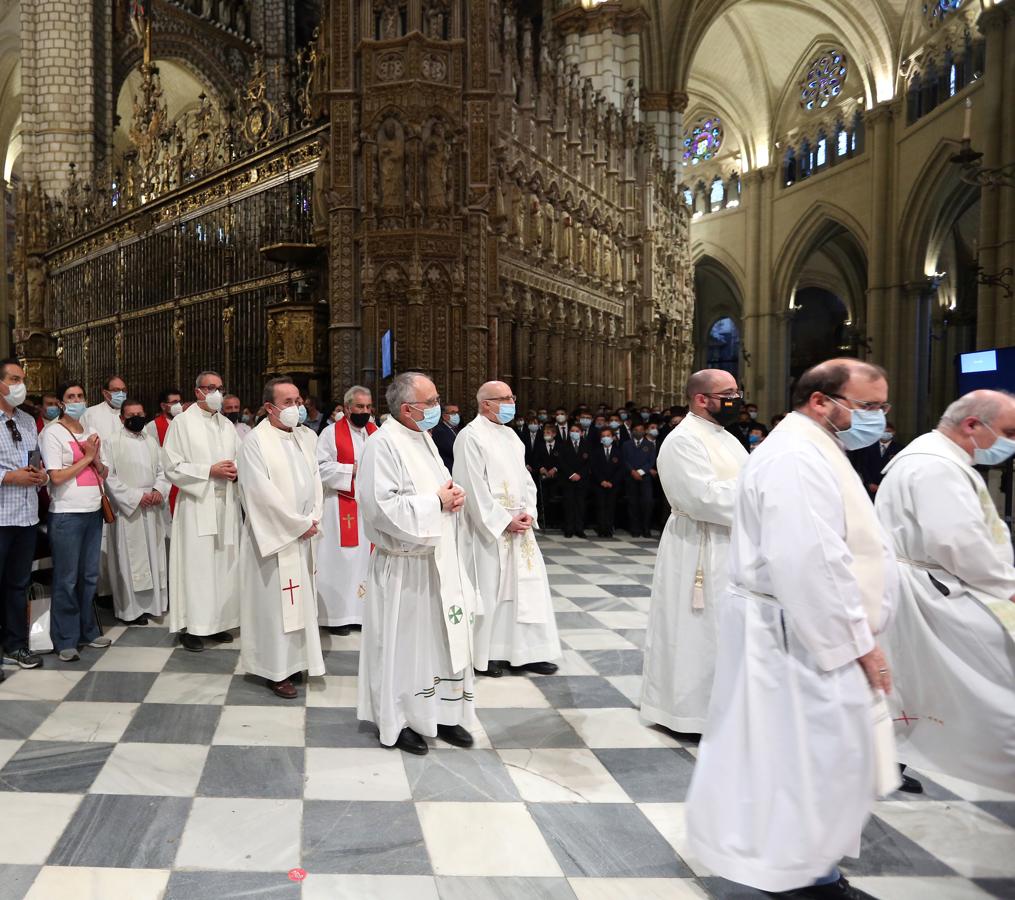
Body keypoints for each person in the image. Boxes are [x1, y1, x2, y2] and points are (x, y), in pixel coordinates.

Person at [687, 359, 899, 899]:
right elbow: (810, 559)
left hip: (800, 622)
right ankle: (803, 878)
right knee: (803, 753)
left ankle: (810, 868)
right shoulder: (796, 456)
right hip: (795, 628)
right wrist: (857, 642)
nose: (877, 416)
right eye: (868, 405)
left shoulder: (813, 445)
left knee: (810, 753)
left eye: (882, 406)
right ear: (821, 401)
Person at [875, 390, 1015, 792]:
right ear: (972, 424)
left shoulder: (933, 456)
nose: (1011, 442)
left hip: (923, 582)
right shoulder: (935, 466)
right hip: (931, 586)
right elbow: (956, 542)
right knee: (986, 672)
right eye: (1008, 432)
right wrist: (1006, 585)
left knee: (915, 683)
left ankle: (891, 760)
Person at [357, 371, 477, 755]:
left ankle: (443, 713)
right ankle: (401, 719)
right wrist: (437, 503)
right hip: (403, 567)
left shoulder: (423, 437)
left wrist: (454, 495)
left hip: (436, 561)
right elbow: (381, 508)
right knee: (404, 648)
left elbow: (439, 486)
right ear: (408, 409)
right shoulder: (382, 444)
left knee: (440, 641)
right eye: (432, 402)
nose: (438, 407)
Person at [640, 370, 748, 736]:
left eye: (737, 392)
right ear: (701, 399)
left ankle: (725, 710)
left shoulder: (728, 438)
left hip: (730, 544)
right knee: (694, 630)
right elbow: (701, 498)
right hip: (697, 546)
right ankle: (688, 713)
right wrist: (758, 490)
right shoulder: (682, 440)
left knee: (726, 630)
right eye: (728, 393)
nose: (737, 399)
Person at [455, 381, 561, 679]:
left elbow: (526, 480)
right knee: (491, 591)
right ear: (485, 403)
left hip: (520, 528)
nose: (511, 402)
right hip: (489, 531)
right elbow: (471, 487)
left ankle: (527, 652)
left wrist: (529, 512)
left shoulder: (512, 436)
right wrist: (503, 521)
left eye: (512, 397)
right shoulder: (470, 436)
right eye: (504, 398)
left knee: (527, 589)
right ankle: (489, 654)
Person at [236, 377, 325, 699]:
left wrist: (314, 516)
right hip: (273, 539)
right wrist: (297, 524)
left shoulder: (305, 437)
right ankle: (275, 670)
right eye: (288, 402)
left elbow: (316, 480)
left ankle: (296, 661)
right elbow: (259, 493)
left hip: (301, 534)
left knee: (299, 603)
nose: (296, 407)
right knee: (275, 607)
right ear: (269, 407)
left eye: (298, 401)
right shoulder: (255, 442)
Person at [163, 371, 241, 652]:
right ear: (197, 392)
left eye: (220, 388)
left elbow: (240, 458)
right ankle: (192, 626)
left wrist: (236, 471)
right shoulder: (182, 423)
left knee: (223, 565)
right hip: (197, 504)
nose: (216, 393)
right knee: (196, 568)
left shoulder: (227, 425)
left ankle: (217, 622)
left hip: (226, 504)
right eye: (210, 388)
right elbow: (171, 467)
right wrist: (209, 471)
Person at [40, 381, 113, 662]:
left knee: (89, 576)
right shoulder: (52, 432)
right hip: (67, 513)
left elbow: (103, 472)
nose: (76, 400)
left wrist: (97, 461)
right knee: (67, 578)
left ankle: (87, 630)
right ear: (61, 403)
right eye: (70, 397)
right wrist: (88, 457)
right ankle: (65, 638)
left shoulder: (91, 430)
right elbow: (56, 477)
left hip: (93, 510)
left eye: (80, 396)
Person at [317, 385, 377, 636]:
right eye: (359, 406)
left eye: (368, 407)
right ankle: (337, 617)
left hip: (368, 508)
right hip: (340, 507)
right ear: (347, 408)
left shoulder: (375, 432)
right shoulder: (331, 433)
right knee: (342, 560)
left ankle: (361, 614)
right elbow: (319, 468)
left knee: (365, 561)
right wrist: (351, 469)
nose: (365, 411)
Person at [103, 398, 169, 626]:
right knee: (130, 559)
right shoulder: (111, 442)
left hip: (152, 508)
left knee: (154, 556)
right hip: (128, 511)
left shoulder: (151, 441)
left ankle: (154, 605)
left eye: (140, 414)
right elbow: (108, 477)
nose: (137, 419)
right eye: (131, 416)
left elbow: (163, 470)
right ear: (122, 418)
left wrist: (158, 490)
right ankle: (131, 611)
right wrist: (135, 497)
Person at [0, 359, 47, 676]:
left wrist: (41, 476)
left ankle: (16, 645)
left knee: (18, 584)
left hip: (27, 516)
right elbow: (10, 473)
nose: (21, 385)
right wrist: (7, 477)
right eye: (14, 379)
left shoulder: (29, 421)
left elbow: (36, 461)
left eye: (22, 379)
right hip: (1, 516)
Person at [144, 388, 183, 519]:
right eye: (174, 402)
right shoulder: (153, 426)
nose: (178, 405)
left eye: (180, 402)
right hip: (166, 478)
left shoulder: (185, 423)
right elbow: (152, 456)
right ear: (163, 405)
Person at [621, 421, 657, 538]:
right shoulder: (626, 444)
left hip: (645, 478)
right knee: (633, 504)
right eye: (636, 430)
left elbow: (651, 461)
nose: (639, 432)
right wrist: (632, 471)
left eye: (641, 430)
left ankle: (646, 528)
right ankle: (634, 529)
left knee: (647, 503)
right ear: (632, 431)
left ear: (645, 431)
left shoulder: (650, 445)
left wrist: (640, 472)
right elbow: (624, 460)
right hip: (630, 477)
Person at [849, 421, 899, 501]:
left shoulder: (900, 449)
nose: (885, 434)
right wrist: (870, 483)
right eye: (883, 431)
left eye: (888, 431)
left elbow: (898, 469)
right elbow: (864, 466)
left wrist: (886, 485)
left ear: (893, 432)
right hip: (870, 487)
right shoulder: (868, 447)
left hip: (889, 488)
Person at [558, 421, 591, 538]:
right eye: (572, 431)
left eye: (577, 431)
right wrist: (571, 474)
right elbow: (561, 462)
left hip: (582, 480)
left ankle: (579, 528)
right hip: (568, 479)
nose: (574, 433)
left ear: (581, 433)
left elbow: (589, 463)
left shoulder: (587, 445)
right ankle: (569, 528)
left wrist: (580, 474)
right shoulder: (563, 445)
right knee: (569, 504)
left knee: (580, 505)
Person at [590, 425, 621, 537]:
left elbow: (621, 469)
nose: (606, 438)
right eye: (603, 436)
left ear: (613, 437)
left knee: (611, 507)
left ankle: (609, 528)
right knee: (600, 506)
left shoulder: (618, 451)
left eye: (608, 435)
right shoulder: (596, 451)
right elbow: (594, 468)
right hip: (599, 484)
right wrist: (601, 481)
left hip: (613, 484)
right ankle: (601, 529)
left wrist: (612, 482)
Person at [534, 421, 562, 529]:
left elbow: (562, 460)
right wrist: (541, 468)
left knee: (554, 499)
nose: (546, 435)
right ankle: (545, 520)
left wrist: (555, 469)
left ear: (554, 434)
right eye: (545, 433)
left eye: (548, 433)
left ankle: (555, 520)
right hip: (543, 477)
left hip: (556, 478)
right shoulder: (539, 446)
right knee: (543, 499)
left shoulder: (560, 446)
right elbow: (535, 459)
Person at [431, 402, 460, 473]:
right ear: (444, 416)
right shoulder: (439, 431)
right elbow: (453, 450)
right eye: (453, 413)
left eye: (457, 412)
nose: (456, 415)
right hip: (447, 469)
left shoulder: (455, 428)